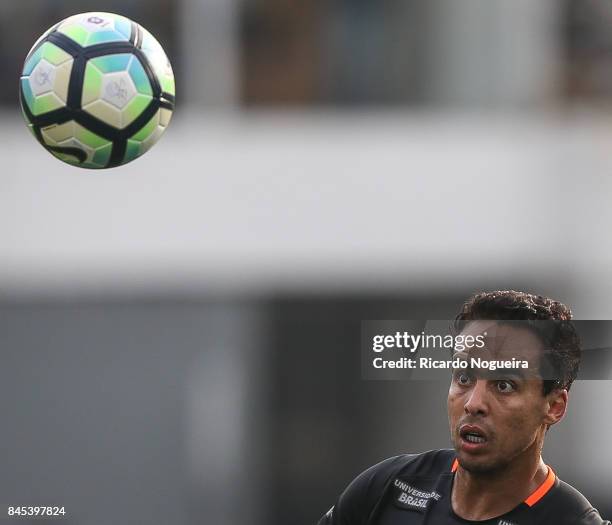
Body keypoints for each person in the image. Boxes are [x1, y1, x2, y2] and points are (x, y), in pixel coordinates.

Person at [317, 290, 610, 525]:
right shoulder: (387, 487)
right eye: (464, 377)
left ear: (554, 407)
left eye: (504, 385)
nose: (474, 403)